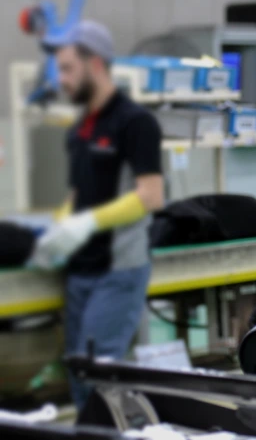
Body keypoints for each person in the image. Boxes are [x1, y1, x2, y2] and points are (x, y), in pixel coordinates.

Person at [29, 21, 165, 409]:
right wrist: (57, 228)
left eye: (69, 69)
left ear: (96, 65)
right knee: (79, 375)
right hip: (80, 271)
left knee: (98, 379)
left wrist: (86, 223)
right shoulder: (80, 129)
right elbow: (79, 192)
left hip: (118, 271)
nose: (63, 80)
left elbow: (150, 195)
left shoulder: (135, 122)